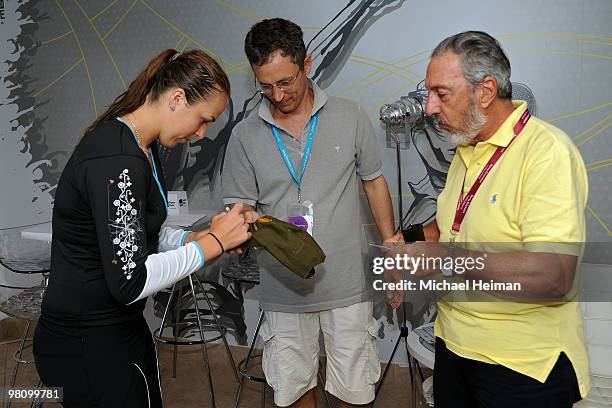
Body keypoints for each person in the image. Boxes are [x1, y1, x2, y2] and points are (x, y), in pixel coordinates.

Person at [33, 49, 252, 407]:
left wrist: (190, 239)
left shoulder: (142, 148)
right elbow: (129, 282)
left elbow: (139, 231)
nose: (201, 134)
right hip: (87, 341)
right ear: (177, 98)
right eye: (202, 120)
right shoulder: (117, 158)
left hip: (117, 331)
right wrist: (211, 243)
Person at [386, 31, 590, 407]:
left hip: (522, 367)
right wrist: (412, 242)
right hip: (455, 347)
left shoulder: (547, 153)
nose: (429, 107)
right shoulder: (467, 147)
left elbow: (554, 275)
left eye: (440, 93)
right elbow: (456, 227)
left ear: (485, 91)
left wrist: (445, 258)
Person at [222, 18, 395, 408]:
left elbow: (374, 181)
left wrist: (389, 247)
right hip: (283, 287)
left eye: (286, 82)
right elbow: (240, 206)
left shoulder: (350, 115)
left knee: (354, 389)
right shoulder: (245, 135)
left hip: (347, 284)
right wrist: (239, 225)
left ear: (307, 64)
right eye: (265, 85)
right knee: (294, 389)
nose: (278, 95)